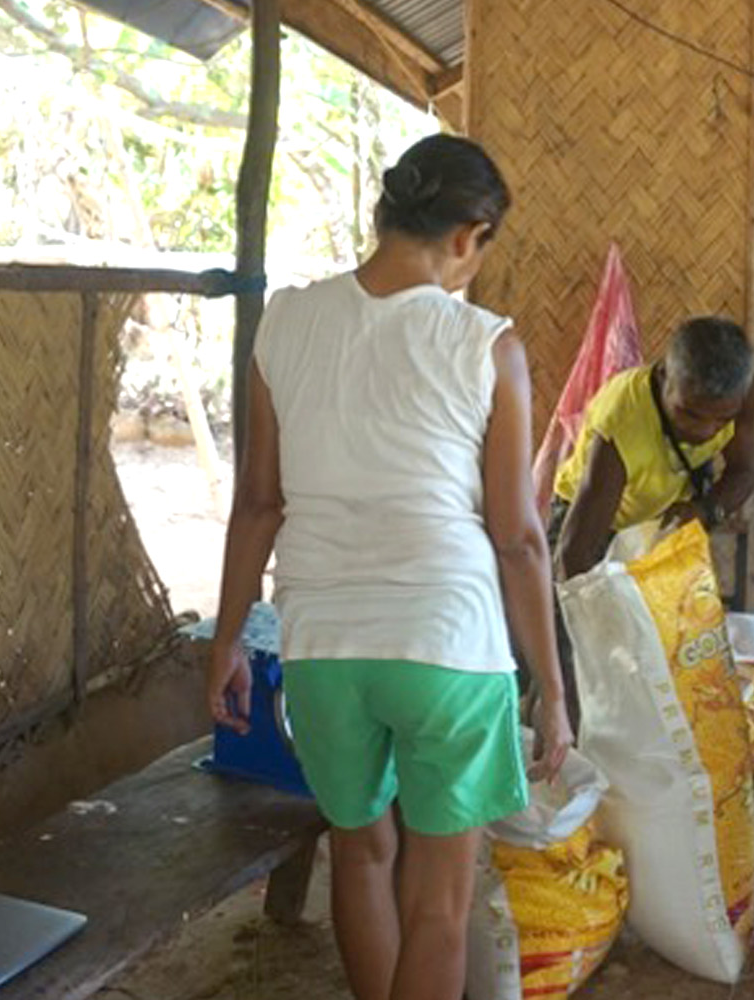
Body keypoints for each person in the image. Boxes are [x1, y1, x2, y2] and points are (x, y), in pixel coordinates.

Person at [206, 134, 572, 1000]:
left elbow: (258, 502)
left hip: (323, 645)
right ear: (467, 235)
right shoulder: (487, 344)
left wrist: (225, 642)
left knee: (360, 854)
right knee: (442, 903)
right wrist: (553, 688)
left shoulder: (285, 321)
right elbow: (517, 535)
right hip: (447, 645)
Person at [551, 316, 754, 580]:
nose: (705, 432)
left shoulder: (742, 391)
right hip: (593, 521)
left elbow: (745, 473)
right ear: (663, 376)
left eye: (722, 421)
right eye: (690, 414)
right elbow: (575, 554)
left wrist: (704, 511)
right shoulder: (622, 421)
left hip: (655, 518)